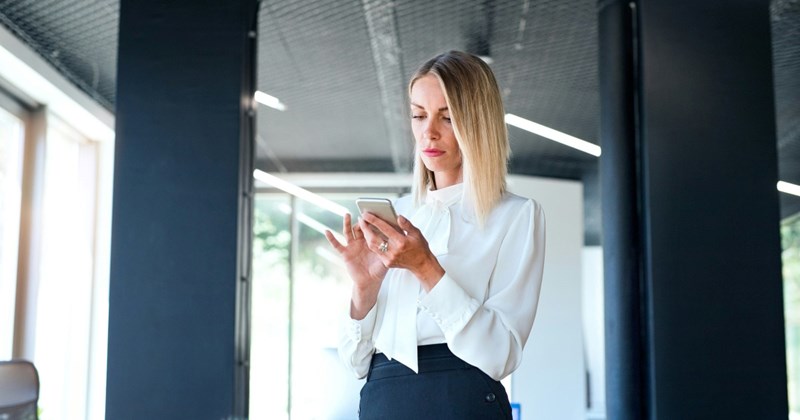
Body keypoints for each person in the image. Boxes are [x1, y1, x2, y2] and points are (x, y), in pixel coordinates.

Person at [325, 50, 546, 420]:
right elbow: (356, 362)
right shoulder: (399, 214)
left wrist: (426, 267)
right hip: (383, 400)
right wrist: (364, 288)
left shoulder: (516, 215)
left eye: (448, 117)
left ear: (478, 123)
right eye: (418, 115)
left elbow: (500, 356)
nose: (428, 132)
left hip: (462, 401)